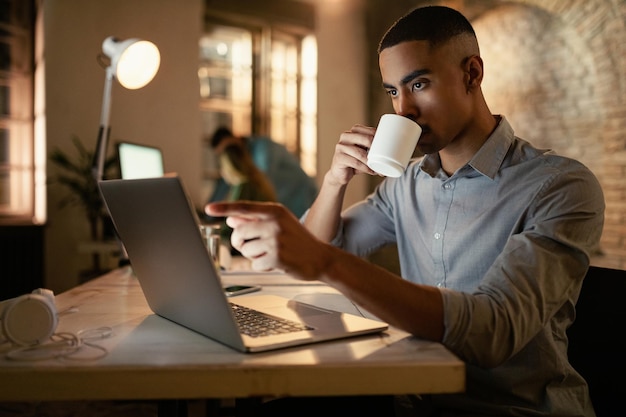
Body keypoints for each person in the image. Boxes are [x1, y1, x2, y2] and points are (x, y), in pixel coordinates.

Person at [206, 5, 604, 417]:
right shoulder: (407, 182)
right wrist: (334, 181)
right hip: (412, 397)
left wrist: (325, 262)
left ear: (472, 73)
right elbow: (326, 243)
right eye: (394, 91)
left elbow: (494, 331)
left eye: (419, 84)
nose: (404, 110)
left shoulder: (560, 186)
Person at [207, 127, 318, 218]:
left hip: (300, 196)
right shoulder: (244, 163)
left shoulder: (263, 148)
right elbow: (223, 186)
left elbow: (262, 177)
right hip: (283, 200)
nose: (228, 155)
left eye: (229, 149)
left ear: (235, 138)